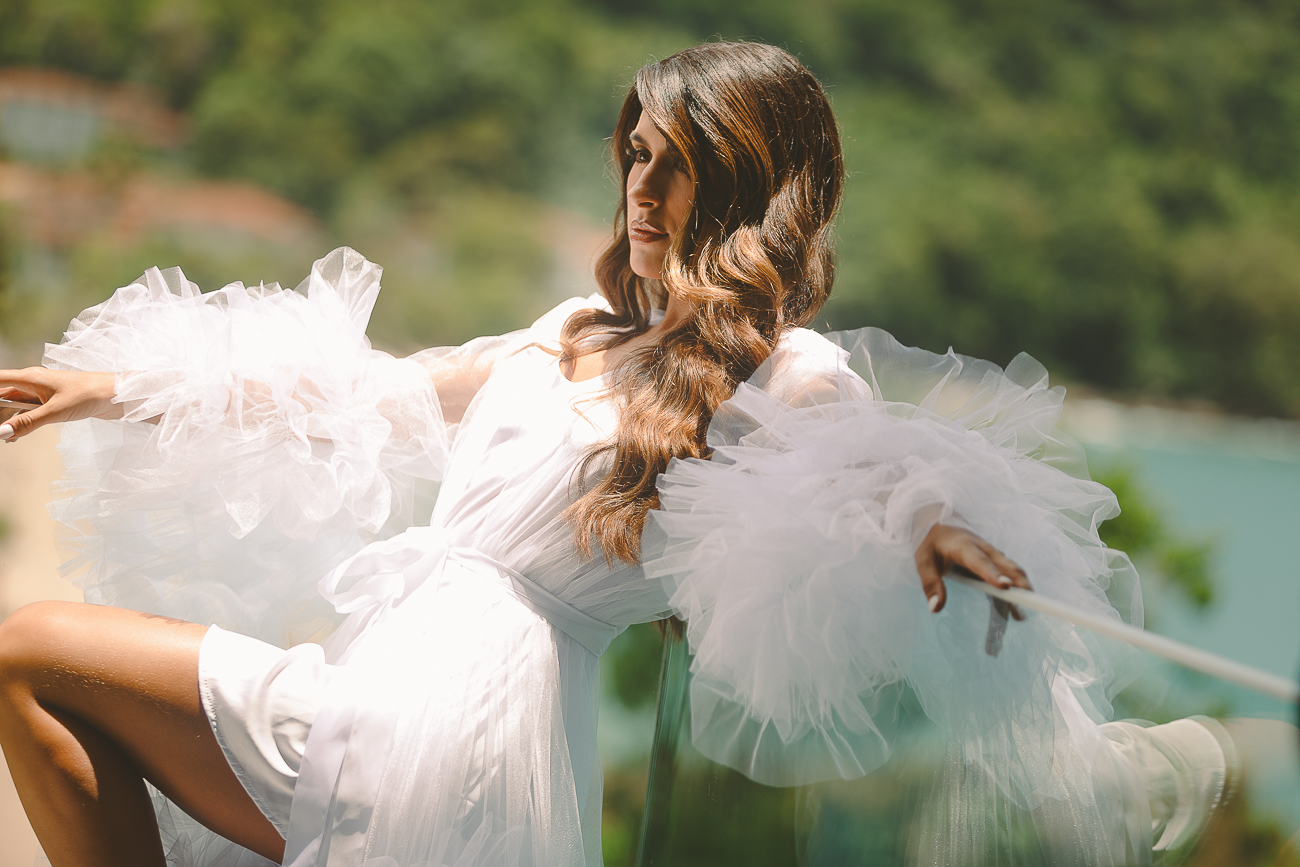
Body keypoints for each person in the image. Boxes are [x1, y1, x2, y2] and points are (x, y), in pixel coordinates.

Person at [0, 42, 1235, 867]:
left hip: (464, 721)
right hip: (386, 679)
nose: (644, 186)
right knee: (32, 668)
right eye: (636, 153)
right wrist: (118, 388)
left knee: (32, 653)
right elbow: (361, 388)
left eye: (679, 163)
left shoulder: (781, 368)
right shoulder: (573, 332)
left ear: (747, 186)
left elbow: (866, 460)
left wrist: (930, 524)